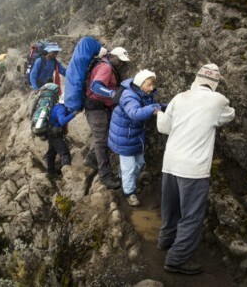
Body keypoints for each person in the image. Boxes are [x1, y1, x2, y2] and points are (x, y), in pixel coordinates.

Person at [156, 63, 235, 275]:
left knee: (170, 207)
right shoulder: (219, 100)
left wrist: (158, 114)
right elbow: (228, 116)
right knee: (191, 216)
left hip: (170, 163)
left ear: (196, 79)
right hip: (193, 168)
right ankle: (177, 260)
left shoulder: (179, 97)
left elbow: (164, 127)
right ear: (214, 83)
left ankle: (165, 242)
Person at [108, 69, 161, 206]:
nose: (152, 88)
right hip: (124, 138)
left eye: (153, 85)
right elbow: (135, 113)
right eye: (149, 85)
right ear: (140, 83)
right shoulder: (129, 96)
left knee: (140, 163)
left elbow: (151, 107)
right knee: (130, 167)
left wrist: (165, 107)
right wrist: (154, 108)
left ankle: (125, 179)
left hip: (134, 136)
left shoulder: (144, 94)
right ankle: (128, 192)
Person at [84, 47, 130, 189]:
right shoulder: (106, 68)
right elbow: (96, 86)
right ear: (112, 56)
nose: (121, 64)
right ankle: (105, 176)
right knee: (102, 141)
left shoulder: (105, 64)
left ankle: (92, 159)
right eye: (120, 60)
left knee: (105, 137)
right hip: (96, 108)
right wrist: (112, 94)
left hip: (101, 107)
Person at [45, 97, 81, 178]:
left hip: (51, 132)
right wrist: (74, 114)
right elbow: (62, 121)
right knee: (64, 153)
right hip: (55, 134)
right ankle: (67, 176)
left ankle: (50, 173)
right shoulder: (61, 109)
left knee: (51, 153)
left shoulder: (57, 106)